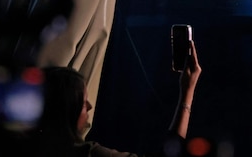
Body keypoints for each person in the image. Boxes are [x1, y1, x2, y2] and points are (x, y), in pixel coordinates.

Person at [30, 40, 201, 157]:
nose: (89, 106)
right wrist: (188, 91)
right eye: (82, 103)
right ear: (67, 110)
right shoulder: (87, 154)